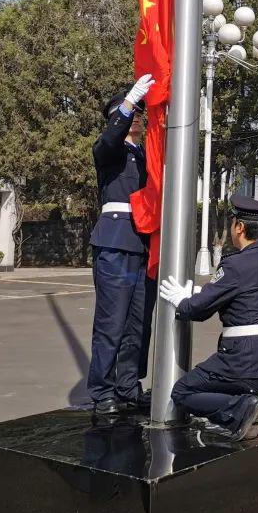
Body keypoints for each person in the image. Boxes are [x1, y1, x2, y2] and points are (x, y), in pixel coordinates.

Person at [159, 194, 258, 442]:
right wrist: (204, 292)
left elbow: (198, 310)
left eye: (233, 222)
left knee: (183, 390)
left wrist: (182, 301)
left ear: (240, 227)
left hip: (246, 363)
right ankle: (257, 407)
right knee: (244, 384)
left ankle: (243, 410)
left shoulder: (235, 265)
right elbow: (246, 295)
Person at [86, 73, 157, 416]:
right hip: (115, 243)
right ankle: (101, 391)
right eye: (137, 115)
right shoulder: (109, 152)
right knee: (111, 323)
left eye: (141, 114)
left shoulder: (143, 156)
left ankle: (128, 386)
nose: (141, 119)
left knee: (137, 325)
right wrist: (130, 103)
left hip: (142, 244)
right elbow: (109, 138)